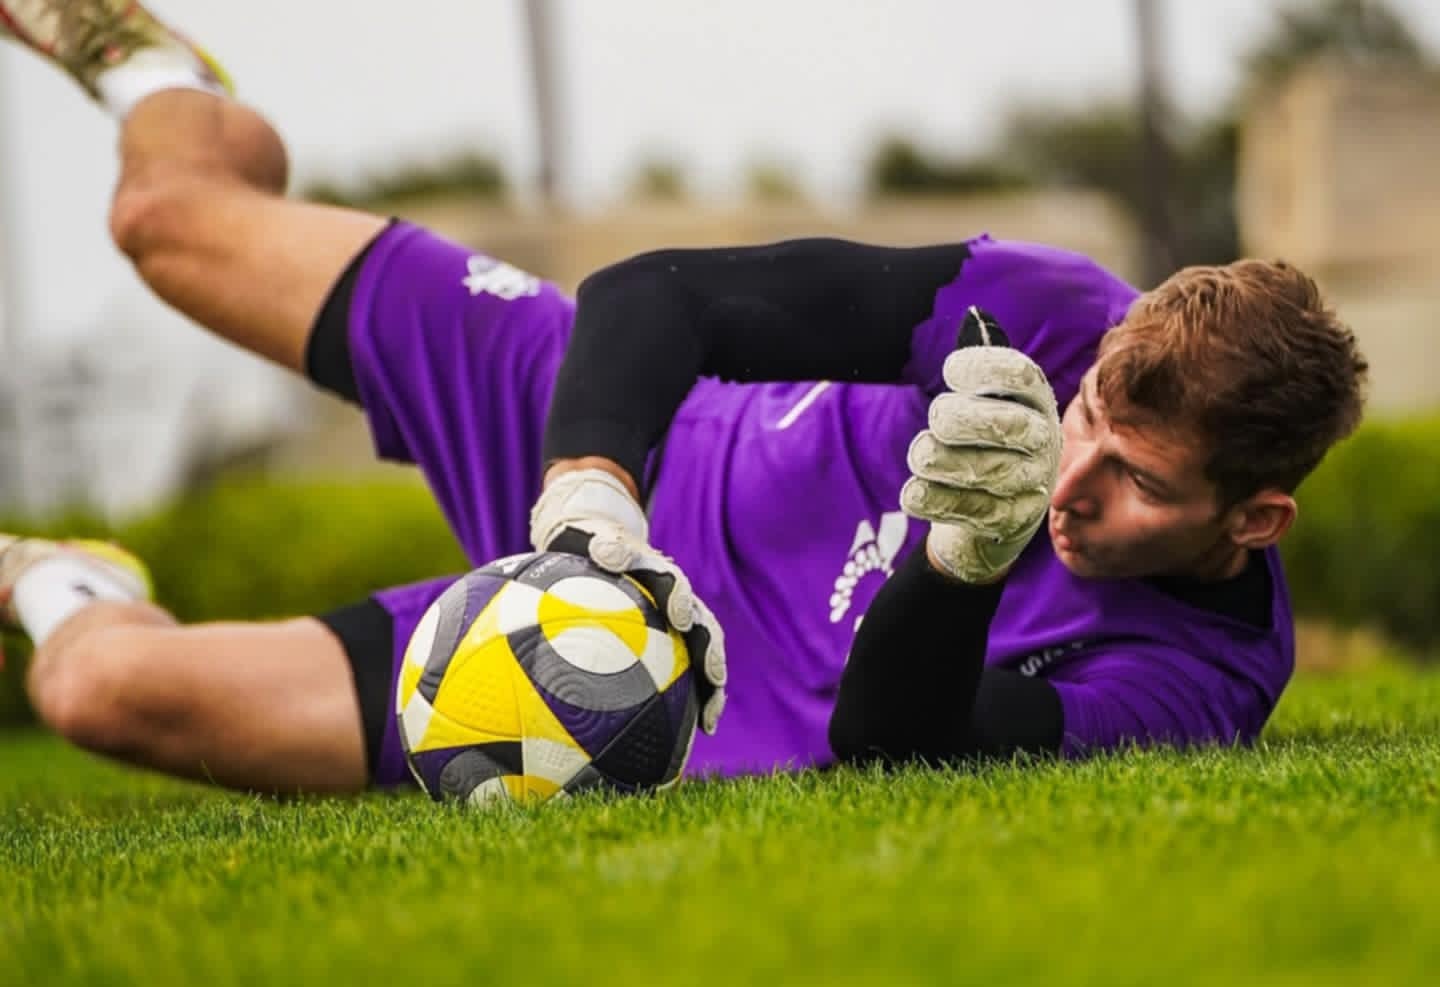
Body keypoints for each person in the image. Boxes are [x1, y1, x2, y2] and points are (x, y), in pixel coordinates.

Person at [0, 1, 1367, 795]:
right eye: (1085, 426)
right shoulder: (1055, 310)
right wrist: (594, 498)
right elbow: (653, 296)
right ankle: (164, 75)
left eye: (1138, 484)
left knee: (104, 686)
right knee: (163, 216)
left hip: (603, 685)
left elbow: (899, 748)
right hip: (619, 462)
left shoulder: (1202, 680)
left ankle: (60, 572)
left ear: (1257, 519)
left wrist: (964, 555)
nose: (1078, 482)